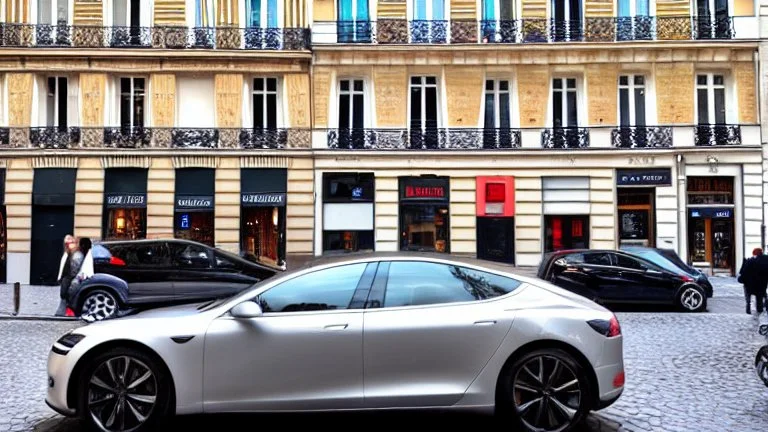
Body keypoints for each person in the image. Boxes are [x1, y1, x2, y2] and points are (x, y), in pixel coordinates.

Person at [738, 247, 768, 314]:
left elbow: (744, 272)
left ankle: (748, 309)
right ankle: (760, 310)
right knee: (759, 297)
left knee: (748, 297)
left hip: (750, 283)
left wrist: (741, 279)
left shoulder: (750, 261)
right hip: (762, 284)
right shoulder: (766, 260)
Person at [54, 235, 78, 316]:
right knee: (64, 295)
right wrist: (60, 277)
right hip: (66, 277)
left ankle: (64, 312)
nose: (68, 245)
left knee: (67, 295)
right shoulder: (66, 253)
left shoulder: (75, 253)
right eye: (66, 243)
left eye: (70, 242)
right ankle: (63, 312)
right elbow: (63, 266)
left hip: (71, 277)